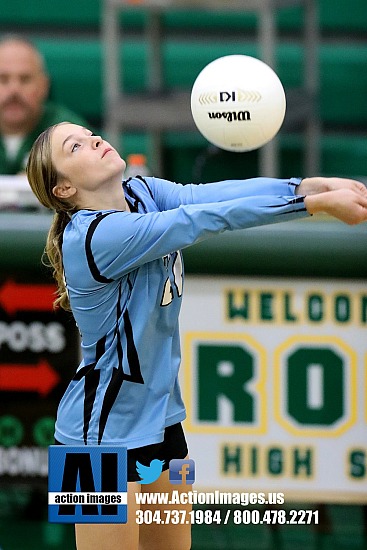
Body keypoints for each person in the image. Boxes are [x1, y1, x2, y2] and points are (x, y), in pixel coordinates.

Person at [26, 122, 367, 550]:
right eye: (74, 146)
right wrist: (313, 205)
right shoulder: (94, 238)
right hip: (94, 441)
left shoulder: (141, 193)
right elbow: (200, 219)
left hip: (163, 420)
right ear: (63, 190)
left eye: (90, 133)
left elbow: (213, 194)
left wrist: (304, 185)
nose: (94, 139)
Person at [0, 35, 88, 174]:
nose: (14, 90)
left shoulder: (69, 133)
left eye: (25, 79)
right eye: (3, 79)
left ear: (44, 85)